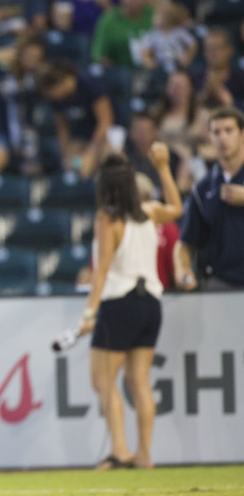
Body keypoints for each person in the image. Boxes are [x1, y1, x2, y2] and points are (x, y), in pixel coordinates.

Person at [77, 145, 182, 470]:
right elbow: (177, 207)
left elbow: (103, 270)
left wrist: (89, 313)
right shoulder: (149, 211)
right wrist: (163, 168)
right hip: (151, 303)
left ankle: (120, 451)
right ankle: (145, 456)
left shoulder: (108, 219)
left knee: (103, 382)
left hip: (119, 303)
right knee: (139, 381)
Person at [174, 107, 244, 291]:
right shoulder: (203, 187)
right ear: (210, 138)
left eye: (228, 130)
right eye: (216, 132)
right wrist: (182, 269)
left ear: (242, 134)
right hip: (222, 282)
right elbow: (186, 242)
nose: (222, 138)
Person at [37, 60, 114, 177]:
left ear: (57, 84)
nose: (49, 97)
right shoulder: (57, 100)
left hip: (108, 132)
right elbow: (62, 128)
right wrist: (66, 155)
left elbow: (105, 122)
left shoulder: (90, 83)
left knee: (97, 162)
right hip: (82, 134)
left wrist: (91, 152)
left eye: (49, 92)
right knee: (72, 166)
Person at [90, 0, 153, 68]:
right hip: (118, 74)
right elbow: (99, 55)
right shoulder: (108, 19)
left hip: (150, 70)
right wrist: (118, 75)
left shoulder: (154, 15)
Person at [194, 28, 244, 111]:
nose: (213, 53)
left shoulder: (241, 77)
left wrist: (221, 92)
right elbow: (187, 110)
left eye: (218, 48)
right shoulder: (195, 78)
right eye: (209, 49)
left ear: (230, 50)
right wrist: (207, 92)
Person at [141, 2, 196, 72]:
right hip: (160, 65)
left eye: (157, 16)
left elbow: (193, 44)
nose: (154, 18)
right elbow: (145, 50)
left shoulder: (178, 32)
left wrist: (187, 56)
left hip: (178, 62)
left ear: (167, 18)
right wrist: (148, 61)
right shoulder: (153, 34)